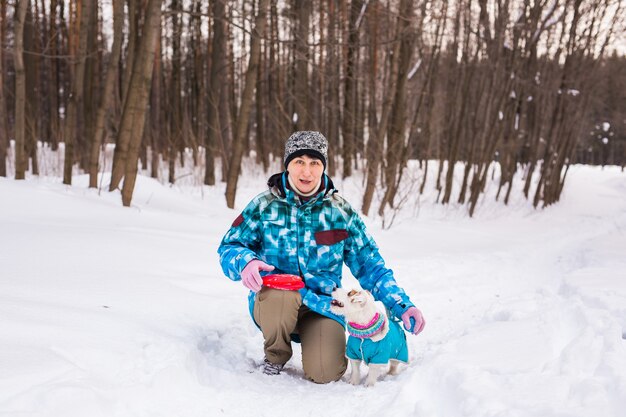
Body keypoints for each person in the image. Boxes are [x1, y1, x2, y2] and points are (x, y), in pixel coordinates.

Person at [217, 131, 425, 383]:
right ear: (288, 165)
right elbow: (229, 246)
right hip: (275, 302)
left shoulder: (340, 212)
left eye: (314, 163)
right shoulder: (264, 205)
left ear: (323, 166)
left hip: (322, 306)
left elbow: (371, 266)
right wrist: (245, 262)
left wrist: (401, 305)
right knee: (282, 294)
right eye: (299, 162)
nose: (307, 172)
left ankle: (315, 345)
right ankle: (276, 354)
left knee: (325, 372)